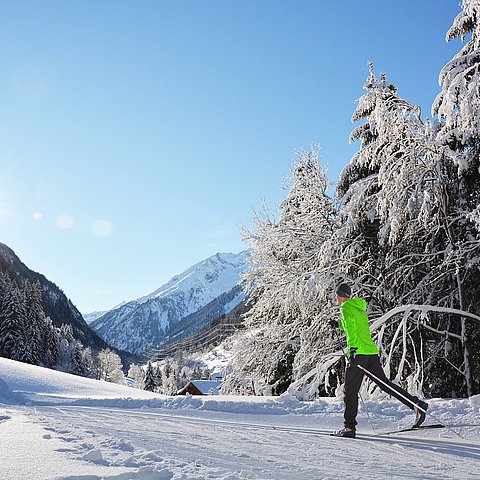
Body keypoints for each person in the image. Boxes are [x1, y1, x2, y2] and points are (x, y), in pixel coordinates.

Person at [329, 283, 428, 439]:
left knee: (350, 391)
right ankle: (417, 405)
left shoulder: (345, 308)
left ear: (340, 295)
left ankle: (349, 428)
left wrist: (353, 350)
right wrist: (339, 325)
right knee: (384, 384)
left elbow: (353, 330)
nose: (336, 298)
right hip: (370, 352)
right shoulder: (358, 307)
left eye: (336, 295)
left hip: (359, 353)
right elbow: (355, 326)